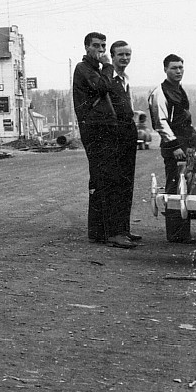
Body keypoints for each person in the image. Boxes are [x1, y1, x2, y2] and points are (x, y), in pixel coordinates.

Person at [72, 31, 134, 248]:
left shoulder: (93, 69)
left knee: (101, 181)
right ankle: (112, 233)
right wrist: (108, 66)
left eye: (103, 46)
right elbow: (101, 87)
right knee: (107, 181)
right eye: (96, 46)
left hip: (102, 130)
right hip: (95, 132)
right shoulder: (84, 69)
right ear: (87, 47)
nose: (100, 50)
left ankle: (99, 231)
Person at [148, 54, 196, 243]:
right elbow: (160, 122)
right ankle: (175, 234)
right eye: (174, 68)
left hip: (186, 146)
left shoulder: (179, 90)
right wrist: (174, 146)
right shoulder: (160, 92)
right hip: (174, 148)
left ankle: (183, 233)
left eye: (180, 68)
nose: (178, 71)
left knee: (186, 187)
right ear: (165, 70)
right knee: (174, 187)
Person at [108, 40, 141, 243]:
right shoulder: (108, 79)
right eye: (120, 54)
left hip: (128, 133)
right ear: (112, 56)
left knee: (127, 183)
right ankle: (115, 232)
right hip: (114, 134)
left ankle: (124, 228)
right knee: (116, 183)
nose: (125, 58)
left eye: (128, 54)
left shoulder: (125, 79)